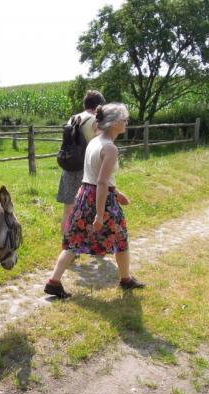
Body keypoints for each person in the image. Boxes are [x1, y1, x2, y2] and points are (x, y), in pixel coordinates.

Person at [44, 103, 145, 298]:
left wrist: (117, 193)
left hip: (84, 195)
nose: (127, 123)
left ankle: (53, 282)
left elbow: (95, 176)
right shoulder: (110, 148)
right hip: (101, 199)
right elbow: (101, 181)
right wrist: (99, 214)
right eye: (124, 120)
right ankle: (126, 279)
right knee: (120, 239)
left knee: (74, 240)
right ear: (114, 123)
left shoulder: (94, 141)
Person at [56, 90, 106, 233]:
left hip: (69, 166)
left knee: (68, 210)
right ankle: (86, 241)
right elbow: (100, 146)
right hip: (86, 170)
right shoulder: (95, 121)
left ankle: (66, 241)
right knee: (89, 210)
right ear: (98, 106)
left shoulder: (73, 118)